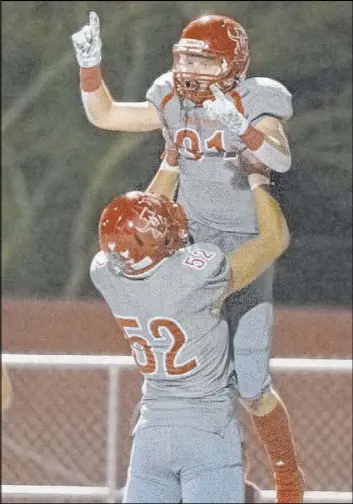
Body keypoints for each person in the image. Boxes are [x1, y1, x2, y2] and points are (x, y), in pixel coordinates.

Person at [72, 12, 304, 502]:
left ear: (233, 63)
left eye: (205, 59)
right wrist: (90, 69)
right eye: (186, 58)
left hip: (244, 244)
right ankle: (215, 476)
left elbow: (280, 158)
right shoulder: (172, 97)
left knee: (252, 380)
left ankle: (286, 476)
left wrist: (243, 127)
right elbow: (107, 115)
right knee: (198, 375)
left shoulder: (258, 97)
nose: (192, 70)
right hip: (189, 247)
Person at [89, 141, 289, 503]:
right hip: (205, 433)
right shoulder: (194, 276)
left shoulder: (106, 273)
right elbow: (274, 239)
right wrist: (258, 179)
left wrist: (170, 163)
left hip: (151, 435)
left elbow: (138, 229)